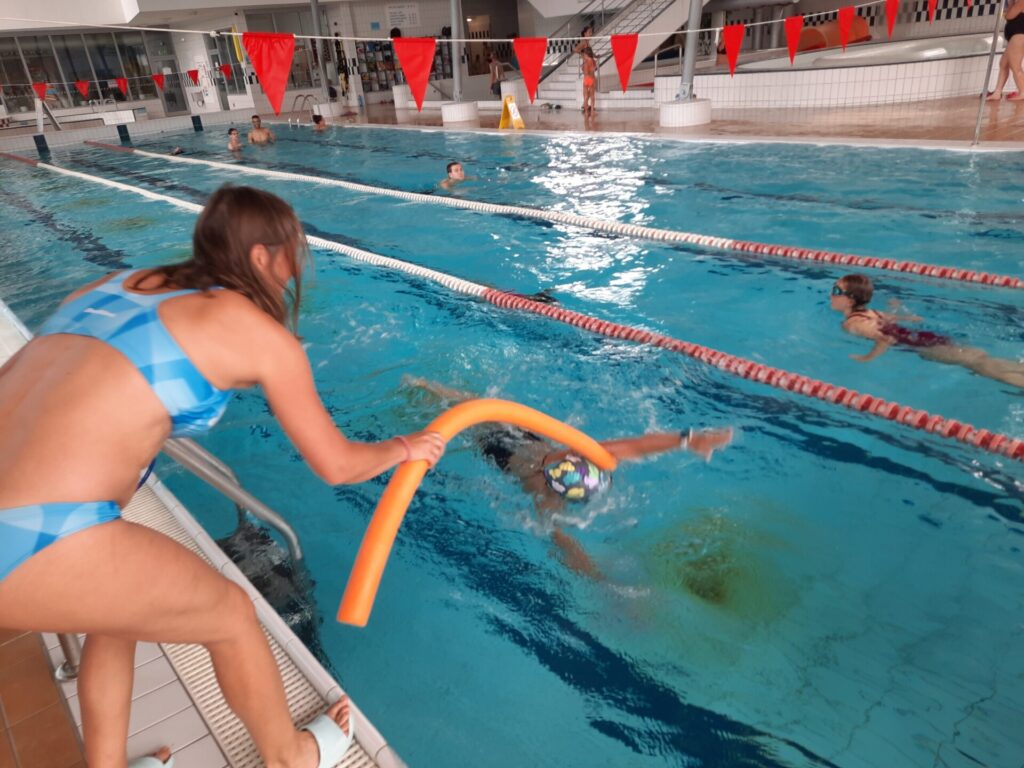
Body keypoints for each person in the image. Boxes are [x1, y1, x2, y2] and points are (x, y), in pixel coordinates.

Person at [0, 185, 446, 768]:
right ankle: (290, 756)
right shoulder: (258, 334)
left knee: (118, 615)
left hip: (35, 520)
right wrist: (405, 446)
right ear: (261, 256)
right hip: (36, 534)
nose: (297, 269)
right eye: (293, 253)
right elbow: (337, 465)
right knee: (231, 615)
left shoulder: (120, 284)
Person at [405, 377, 733, 580]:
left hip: (516, 440)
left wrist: (688, 440)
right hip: (501, 447)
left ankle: (425, 387)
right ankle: (424, 390)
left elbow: (631, 447)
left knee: (475, 405)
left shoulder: (568, 459)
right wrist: (601, 582)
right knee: (473, 413)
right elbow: (563, 543)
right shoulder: (547, 498)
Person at [830, 274, 1024, 388]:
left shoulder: (853, 324)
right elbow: (907, 320)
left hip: (923, 346)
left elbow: (886, 339)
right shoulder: (872, 313)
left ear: (850, 299)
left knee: (981, 365)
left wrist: (868, 358)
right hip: (927, 337)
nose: (831, 294)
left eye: (836, 291)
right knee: (981, 358)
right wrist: (897, 309)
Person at [988, 0, 1024, 101]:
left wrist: (1008, 13)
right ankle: (997, 92)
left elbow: (1010, 14)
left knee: (1015, 66)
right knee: (1003, 64)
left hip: (1020, 33)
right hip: (1016, 33)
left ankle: (1023, 92)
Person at [581, 46, 598, 117]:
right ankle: (592, 112)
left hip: (585, 79)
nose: (583, 55)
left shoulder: (584, 61)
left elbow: (583, 70)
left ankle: (586, 112)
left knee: (585, 97)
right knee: (592, 96)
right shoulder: (592, 61)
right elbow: (592, 70)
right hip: (591, 79)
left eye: (584, 54)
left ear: (586, 53)